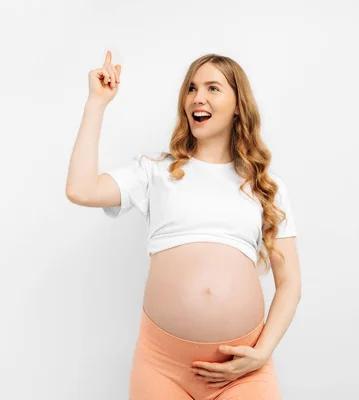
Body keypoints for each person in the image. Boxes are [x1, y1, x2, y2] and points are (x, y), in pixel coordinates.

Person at [66, 50, 302, 400]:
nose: (198, 98)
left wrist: (263, 352)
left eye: (212, 88)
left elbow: (290, 284)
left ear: (239, 104)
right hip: (162, 366)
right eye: (191, 89)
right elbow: (81, 190)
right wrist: (96, 103)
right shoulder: (155, 171)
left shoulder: (265, 185)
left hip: (242, 371)